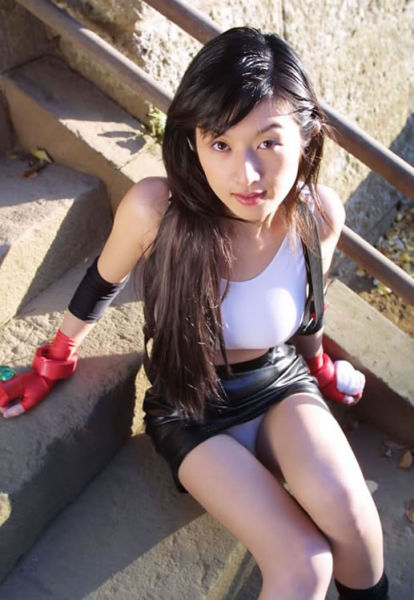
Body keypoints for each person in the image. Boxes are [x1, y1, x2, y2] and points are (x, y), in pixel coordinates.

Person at [0, 27, 388, 600]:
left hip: (280, 383)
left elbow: (310, 311)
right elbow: (101, 281)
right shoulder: (159, 210)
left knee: (354, 520)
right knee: (305, 563)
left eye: (268, 142)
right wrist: (54, 358)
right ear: (194, 139)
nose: (245, 174)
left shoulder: (318, 215)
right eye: (220, 144)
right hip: (191, 406)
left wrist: (321, 366)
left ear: (306, 136)